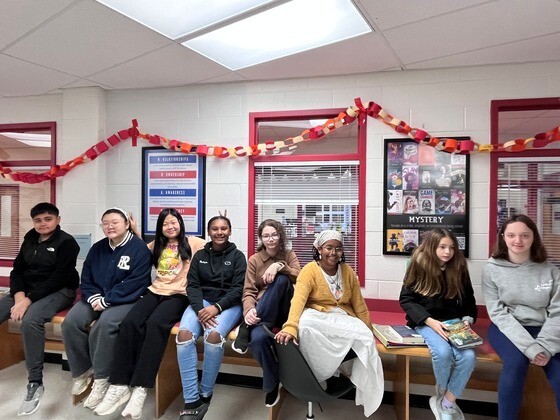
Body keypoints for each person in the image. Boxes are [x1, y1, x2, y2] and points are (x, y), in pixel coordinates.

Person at [93, 208, 205, 418]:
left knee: (155, 325)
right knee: (129, 323)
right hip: (155, 291)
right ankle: (119, 383)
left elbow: (217, 246)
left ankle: (140, 388)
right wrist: (134, 230)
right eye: (165, 224)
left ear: (181, 223)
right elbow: (138, 250)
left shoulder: (194, 243)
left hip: (179, 295)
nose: (170, 227)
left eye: (174, 222)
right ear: (160, 228)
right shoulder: (157, 245)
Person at [274, 230, 384, 417]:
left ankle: (357, 382)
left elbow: (359, 304)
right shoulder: (309, 270)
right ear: (319, 249)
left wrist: (369, 328)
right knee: (306, 327)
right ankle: (317, 378)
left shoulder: (348, 272)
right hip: (316, 315)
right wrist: (291, 326)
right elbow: (298, 301)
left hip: (341, 316)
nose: (333, 253)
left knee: (365, 337)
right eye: (329, 248)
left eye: (338, 248)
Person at [61, 207, 152, 411]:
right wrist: (94, 297)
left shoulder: (139, 249)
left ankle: (102, 379)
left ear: (127, 224)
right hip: (95, 297)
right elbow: (87, 277)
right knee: (71, 322)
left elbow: (136, 283)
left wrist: (107, 300)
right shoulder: (98, 248)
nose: (110, 226)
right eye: (105, 223)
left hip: (128, 300)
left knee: (105, 324)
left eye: (115, 222)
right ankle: (83, 371)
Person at [0, 202, 79, 416]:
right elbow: (17, 271)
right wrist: (18, 296)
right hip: (26, 291)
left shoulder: (67, 243)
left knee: (31, 320)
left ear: (57, 220)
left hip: (60, 290)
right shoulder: (30, 238)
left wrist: (28, 301)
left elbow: (58, 278)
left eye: (48, 219)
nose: (42, 223)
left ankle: (35, 382)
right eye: (37, 220)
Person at [482, 214, 560, 419]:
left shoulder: (551, 270)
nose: (518, 240)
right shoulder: (491, 268)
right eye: (512, 235)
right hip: (507, 329)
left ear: (533, 237)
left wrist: (545, 346)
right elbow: (498, 313)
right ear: (503, 237)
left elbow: (558, 312)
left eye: (525, 235)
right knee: (515, 365)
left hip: (546, 330)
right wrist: (531, 348)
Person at [399, 228, 477, 420]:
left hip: (455, 323)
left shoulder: (459, 266)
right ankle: (442, 393)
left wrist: (467, 320)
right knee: (442, 353)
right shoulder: (418, 265)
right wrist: (429, 321)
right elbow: (406, 300)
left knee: (468, 357)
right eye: (442, 247)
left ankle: (446, 402)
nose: (447, 252)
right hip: (427, 321)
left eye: (451, 247)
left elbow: (469, 301)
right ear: (432, 246)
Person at [176, 215, 246, 420]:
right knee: (184, 336)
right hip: (202, 303)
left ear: (230, 231)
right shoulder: (199, 255)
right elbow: (193, 285)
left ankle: (205, 394)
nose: (219, 232)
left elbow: (238, 289)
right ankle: (192, 399)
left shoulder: (238, 256)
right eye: (215, 229)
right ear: (209, 232)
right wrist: (200, 309)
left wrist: (217, 307)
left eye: (224, 228)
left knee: (213, 337)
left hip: (228, 305)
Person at [231, 219, 301, 407]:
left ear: (280, 236)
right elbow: (248, 291)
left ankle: (246, 328)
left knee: (281, 281)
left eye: (274, 235)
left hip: (284, 311)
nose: (270, 239)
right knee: (259, 339)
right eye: (266, 236)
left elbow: (299, 276)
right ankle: (272, 384)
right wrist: (249, 310)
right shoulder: (254, 260)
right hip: (263, 315)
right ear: (261, 238)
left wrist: (279, 266)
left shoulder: (288, 254)